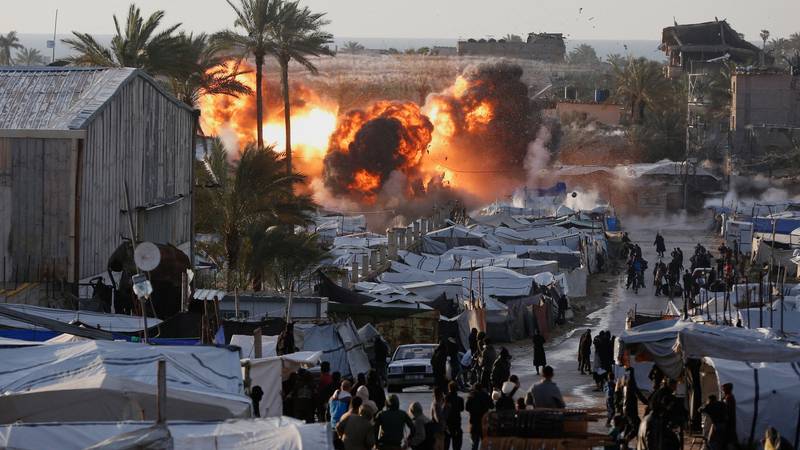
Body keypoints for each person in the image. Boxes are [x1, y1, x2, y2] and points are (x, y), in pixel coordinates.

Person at [465, 383, 493, 450]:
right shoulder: (486, 395)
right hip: (484, 422)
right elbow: (492, 406)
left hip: (474, 422)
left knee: (474, 444)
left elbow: (467, 408)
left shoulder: (471, 396)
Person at [444, 381, 465, 450]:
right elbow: (461, 409)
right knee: (456, 445)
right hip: (456, 423)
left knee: (446, 445)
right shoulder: (460, 399)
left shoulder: (445, 399)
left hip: (447, 423)